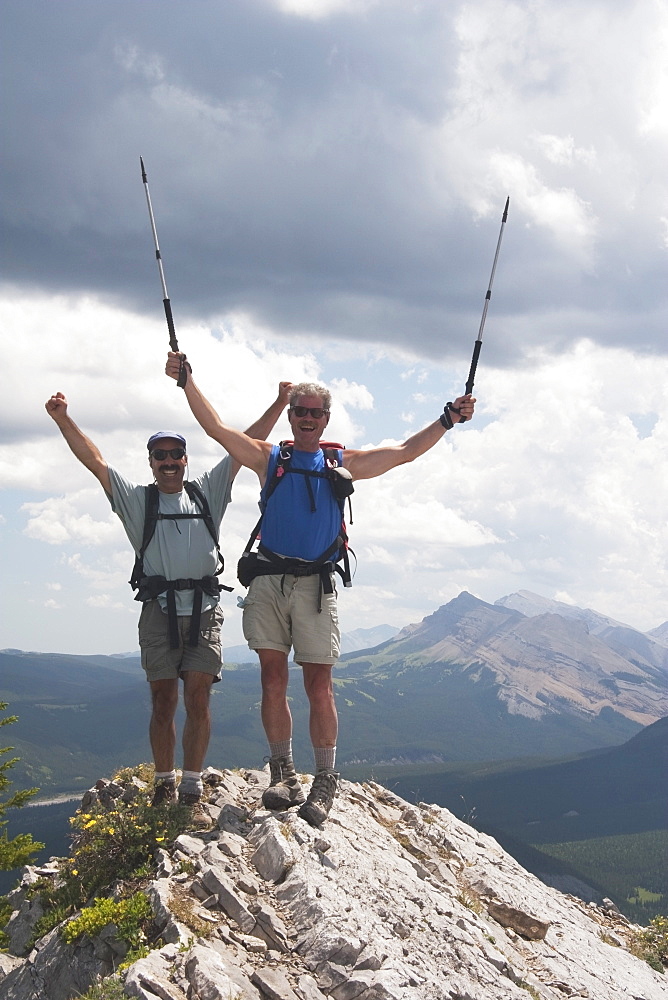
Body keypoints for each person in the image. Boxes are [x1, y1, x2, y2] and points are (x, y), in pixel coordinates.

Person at [166, 353, 475, 826]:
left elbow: (405, 452)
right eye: (300, 411)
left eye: (315, 412)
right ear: (290, 416)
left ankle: (324, 780)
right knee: (272, 678)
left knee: (318, 684)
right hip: (269, 581)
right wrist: (188, 382)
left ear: (326, 418)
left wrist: (448, 418)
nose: (307, 418)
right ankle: (283, 772)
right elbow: (216, 428)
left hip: (315, 584)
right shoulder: (272, 458)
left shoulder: (341, 461)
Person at [45, 384, 291, 829]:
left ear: (185, 459)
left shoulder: (206, 492)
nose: (169, 461)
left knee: (198, 698)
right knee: (163, 700)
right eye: (160, 455)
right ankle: (164, 782)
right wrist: (64, 419)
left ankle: (191, 786)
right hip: (160, 609)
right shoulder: (138, 500)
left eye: (175, 454)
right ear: (152, 463)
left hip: (203, 609)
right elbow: (96, 463)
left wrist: (278, 404)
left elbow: (244, 448)